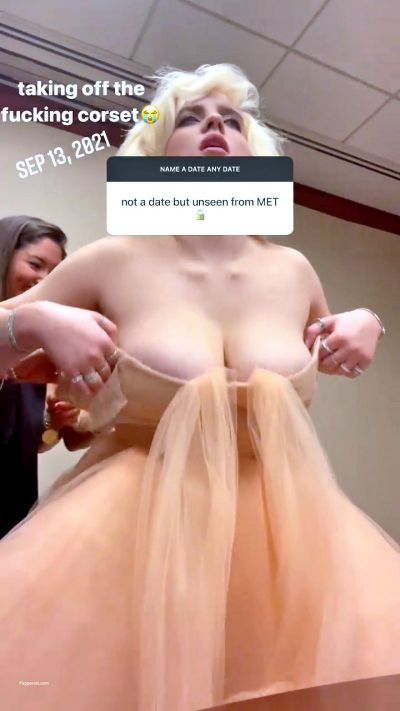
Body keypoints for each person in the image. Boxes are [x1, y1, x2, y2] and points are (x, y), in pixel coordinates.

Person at [0, 65, 397, 711]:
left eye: (231, 120)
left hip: (287, 548)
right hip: (130, 544)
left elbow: (330, 343)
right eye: (190, 117)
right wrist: (33, 320)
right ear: (158, 154)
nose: (214, 123)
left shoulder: (294, 269)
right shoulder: (114, 258)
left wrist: (369, 320)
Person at [0, 215, 88, 538]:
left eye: (55, 273)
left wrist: (55, 421)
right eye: (35, 265)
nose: (45, 280)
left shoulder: (44, 346)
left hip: (14, 507)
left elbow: (35, 443)